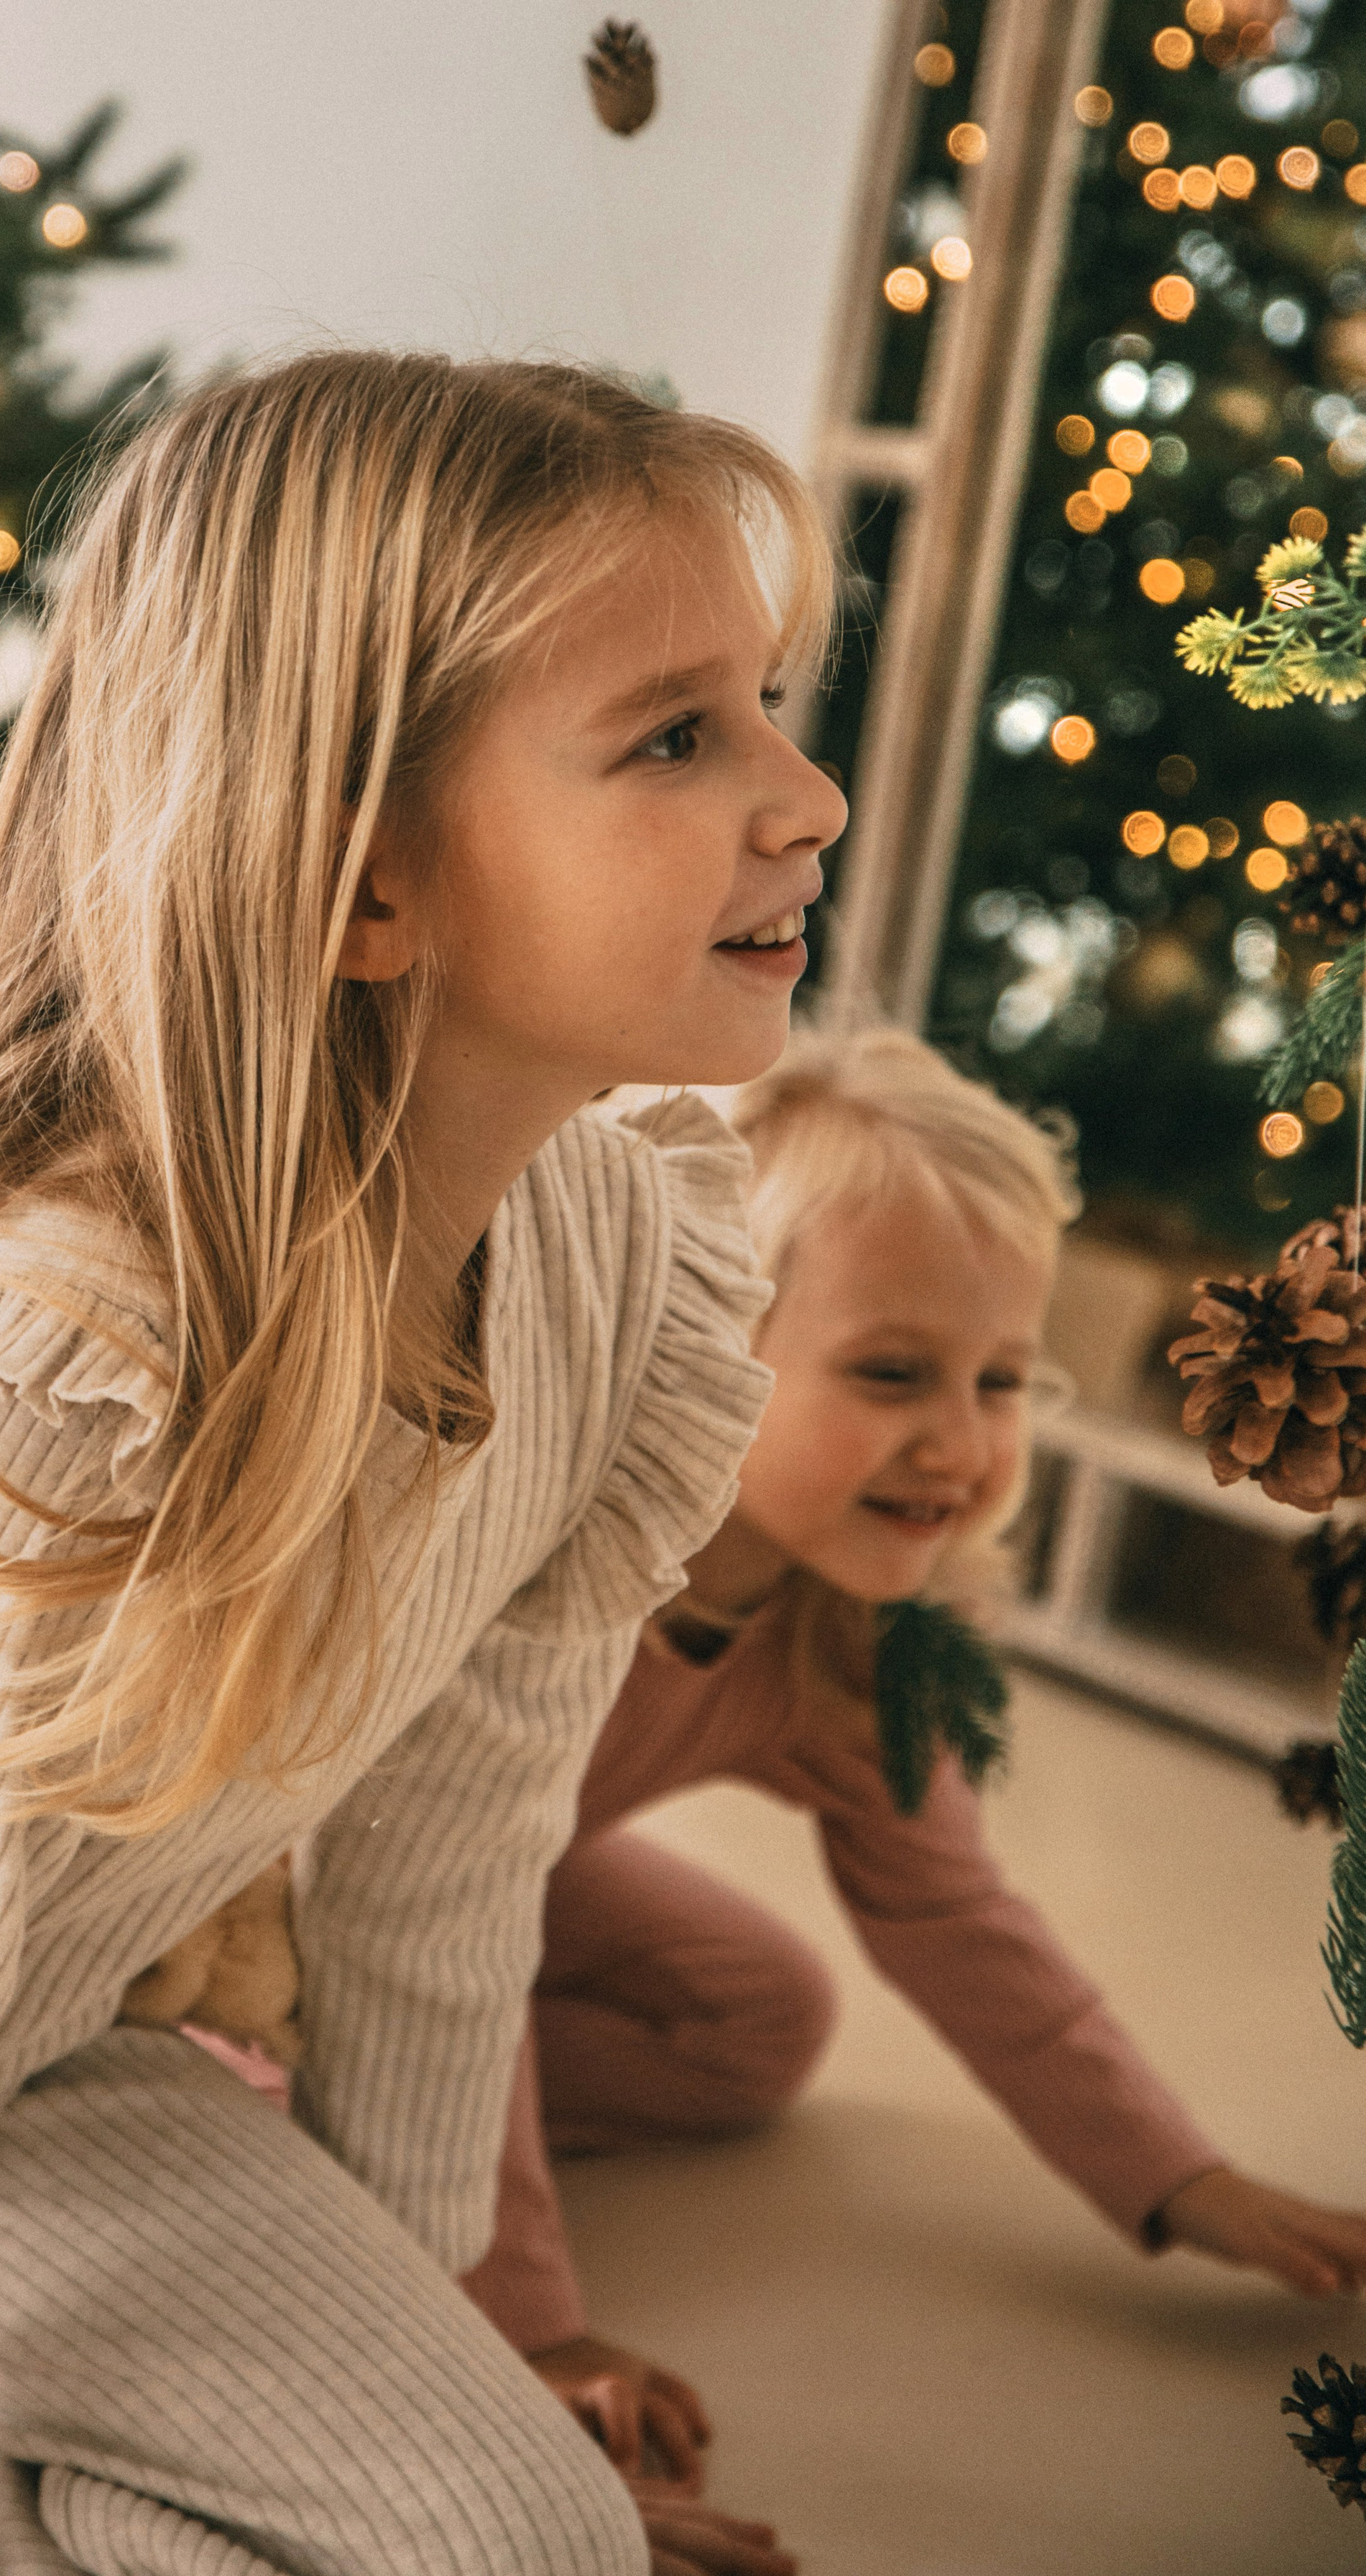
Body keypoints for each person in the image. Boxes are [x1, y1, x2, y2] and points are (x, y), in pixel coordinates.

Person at [0, 353, 844, 2576]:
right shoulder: (56, 1372)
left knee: (526, 2551)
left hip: (34, 2053)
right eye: (676, 738)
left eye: (774, 705)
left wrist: (444, 2377)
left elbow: (448, 1862)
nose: (805, 797)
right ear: (364, 892)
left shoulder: (624, 1256)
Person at [461, 1027, 1366, 2491]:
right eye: (891, 1372)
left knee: (758, 2017)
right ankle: (338, 2115)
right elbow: (450, 1931)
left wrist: (1177, 2176)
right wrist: (531, 2321)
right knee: (452, 1982)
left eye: (1000, 1380)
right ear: (693, 1342)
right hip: (288, 1892)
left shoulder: (852, 1647)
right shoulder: (542, 1577)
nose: (958, 1442)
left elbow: (952, 1916)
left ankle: (386, 2119)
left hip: (512, 1874)